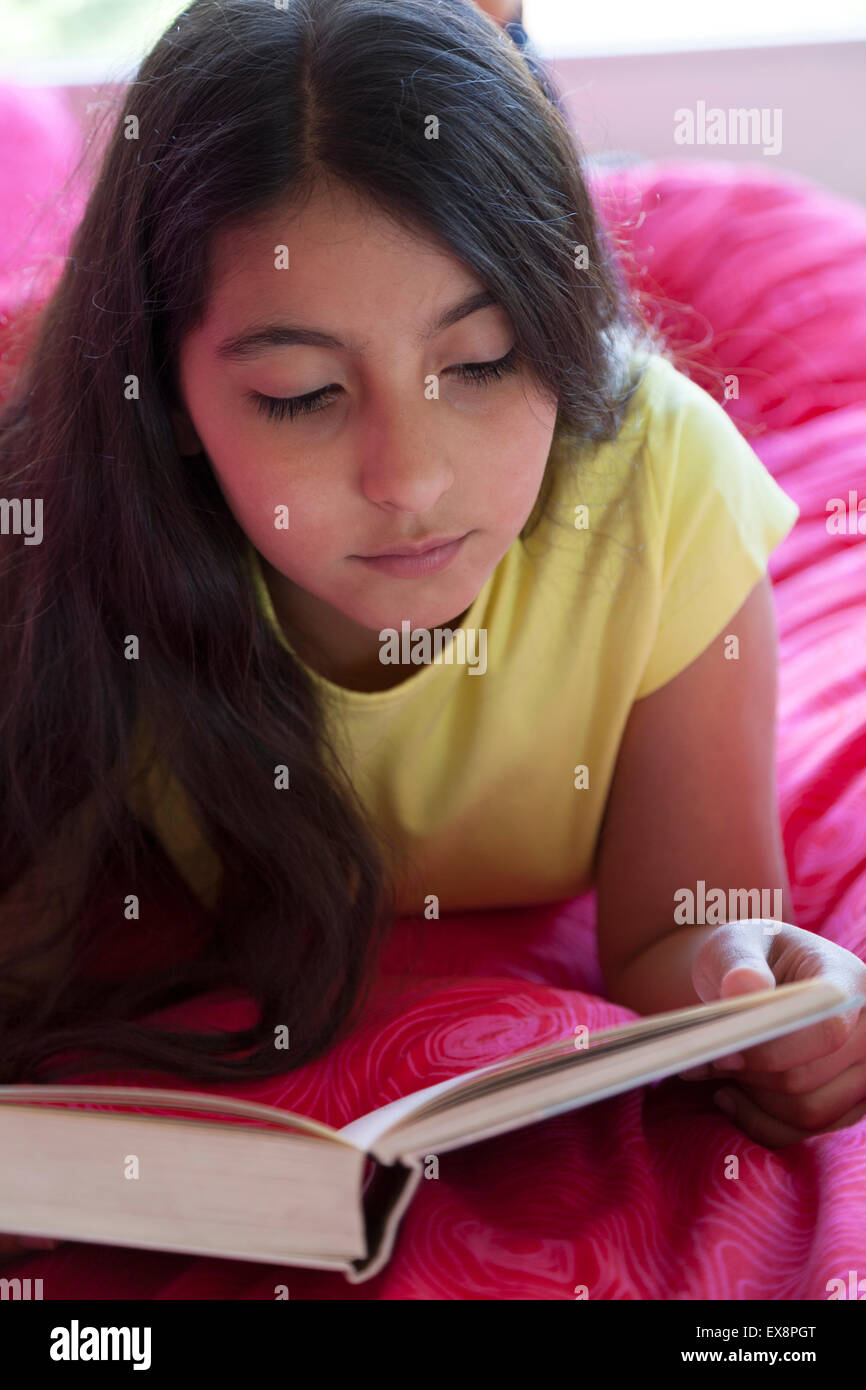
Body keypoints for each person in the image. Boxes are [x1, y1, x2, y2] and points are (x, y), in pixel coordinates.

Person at [2, 0, 865, 1264]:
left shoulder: (663, 487)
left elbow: (676, 929)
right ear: (167, 390)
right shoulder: (69, 525)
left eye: (480, 364)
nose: (408, 478)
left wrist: (749, 985)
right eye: (300, 395)